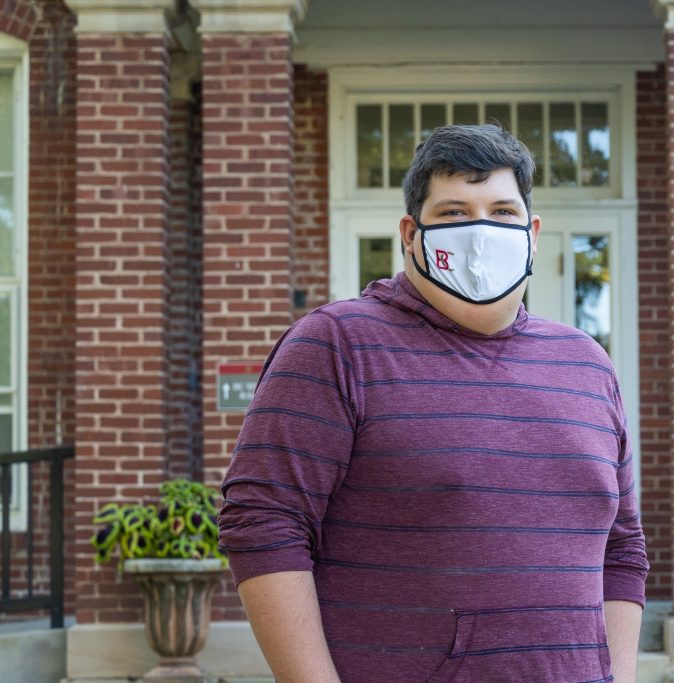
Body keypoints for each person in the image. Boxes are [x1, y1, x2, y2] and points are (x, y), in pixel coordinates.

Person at [218, 124, 649, 682]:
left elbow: (622, 550)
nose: (480, 232)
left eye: (501, 211)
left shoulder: (586, 364)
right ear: (410, 233)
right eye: (453, 213)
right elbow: (264, 523)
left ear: (533, 232)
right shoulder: (338, 344)